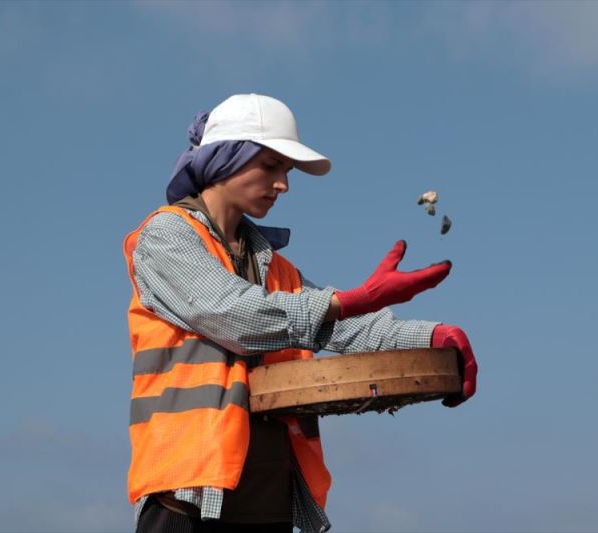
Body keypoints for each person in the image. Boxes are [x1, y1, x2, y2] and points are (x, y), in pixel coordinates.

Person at [123, 93, 478, 533]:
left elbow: (341, 328)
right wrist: (349, 299)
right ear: (224, 159)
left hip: (268, 504)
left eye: (286, 172)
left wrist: (431, 339)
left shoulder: (273, 265)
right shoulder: (165, 237)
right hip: (188, 502)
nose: (283, 185)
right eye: (270, 166)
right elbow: (231, 313)